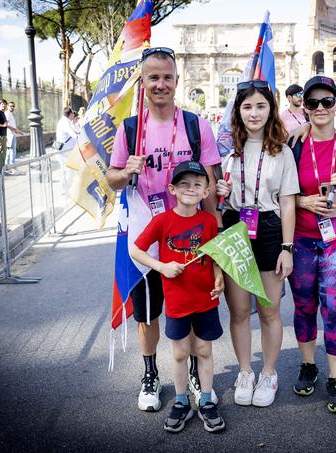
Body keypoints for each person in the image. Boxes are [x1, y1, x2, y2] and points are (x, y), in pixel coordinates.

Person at [106, 46, 221, 413]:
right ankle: (151, 373)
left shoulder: (195, 125)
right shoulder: (129, 128)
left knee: (187, 309)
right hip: (149, 236)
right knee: (148, 312)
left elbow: (211, 186)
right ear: (143, 82)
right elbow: (112, 178)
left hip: (189, 239)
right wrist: (127, 172)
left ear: (176, 80)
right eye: (152, 77)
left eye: (167, 77)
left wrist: (215, 239)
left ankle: (190, 373)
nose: (160, 84)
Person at [215, 80, 299, 407]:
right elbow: (213, 196)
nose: (254, 113)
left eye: (261, 106)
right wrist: (219, 195)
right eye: (247, 106)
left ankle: (268, 373)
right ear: (238, 110)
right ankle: (245, 371)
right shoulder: (227, 152)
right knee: (238, 311)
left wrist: (287, 248)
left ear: (270, 109)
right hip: (235, 225)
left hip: (269, 229)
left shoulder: (282, 150)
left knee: (269, 310)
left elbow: (289, 203)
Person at [288, 76, 336, 413]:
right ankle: (309, 366)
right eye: (313, 102)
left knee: (334, 308)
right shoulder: (294, 144)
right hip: (303, 240)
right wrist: (306, 202)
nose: (320, 108)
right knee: (304, 307)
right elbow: (284, 193)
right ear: (303, 106)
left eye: (327, 101)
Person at [131, 161, 225, 433]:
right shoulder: (162, 221)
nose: (190, 189)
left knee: (204, 350)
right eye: (183, 184)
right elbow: (136, 250)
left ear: (206, 191)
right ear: (172, 189)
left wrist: (218, 277)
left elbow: (213, 257)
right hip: (177, 302)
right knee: (181, 353)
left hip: (205, 299)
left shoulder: (208, 221)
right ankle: (182, 401)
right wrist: (161, 267)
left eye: (197, 184)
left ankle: (206, 400)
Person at [5, 101, 23, 174]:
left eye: (13, 106)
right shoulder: (7, 114)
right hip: (9, 135)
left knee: (11, 151)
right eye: (10, 106)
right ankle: (10, 167)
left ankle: (10, 167)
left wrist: (15, 130)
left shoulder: (10, 114)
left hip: (12, 134)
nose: (12, 107)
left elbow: (11, 125)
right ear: (7, 106)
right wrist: (15, 130)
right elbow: (6, 125)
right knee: (11, 151)